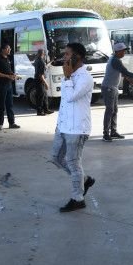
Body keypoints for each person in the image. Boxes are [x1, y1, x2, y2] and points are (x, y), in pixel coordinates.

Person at [51, 43, 96, 212]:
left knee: (73, 163)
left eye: (68, 55)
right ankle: (84, 180)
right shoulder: (67, 76)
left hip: (77, 129)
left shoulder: (85, 78)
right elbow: (64, 102)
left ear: (77, 57)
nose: (64, 57)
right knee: (55, 158)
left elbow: (70, 97)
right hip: (63, 126)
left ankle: (78, 198)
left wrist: (68, 77)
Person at [100, 42, 133, 142]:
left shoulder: (115, 59)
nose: (125, 52)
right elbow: (125, 72)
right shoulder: (115, 60)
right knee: (109, 111)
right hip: (108, 88)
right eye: (123, 51)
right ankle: (106, 133)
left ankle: (113, 131)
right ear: (118, 51)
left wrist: (129, 79)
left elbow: (121, 73)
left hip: (112, 88)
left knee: (114, 111)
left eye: (125, 50)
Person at [0, 44, 20, 130]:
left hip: (9, 85)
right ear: (2, 50)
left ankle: (11, 123)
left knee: (10, 105)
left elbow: (8, 70)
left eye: (10, 48)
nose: (9, 50)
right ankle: (0, 123)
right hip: (2, 85)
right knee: (1, 105)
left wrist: (12, 74)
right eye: (7, 49)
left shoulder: (7, 59)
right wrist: (7, 76)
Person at [33, 49, 53, 116]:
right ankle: (39, 111)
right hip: (40, 80)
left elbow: (45, 67)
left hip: (39, 80)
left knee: (44, 95)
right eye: (44, 54)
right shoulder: (40, 61)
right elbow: (41, 75)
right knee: (40, 96)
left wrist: (51, 61)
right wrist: (46, 83)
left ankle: (46, 110)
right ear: (43, 54)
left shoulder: (38, 60)